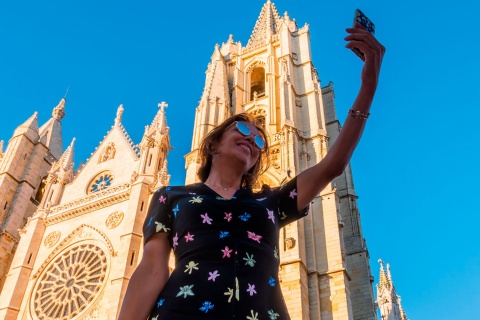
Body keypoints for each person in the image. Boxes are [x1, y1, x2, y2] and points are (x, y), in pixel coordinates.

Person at [118, 22, 385, 320]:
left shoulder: (270, 202)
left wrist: (368, 86)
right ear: (213, 144)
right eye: (243, 128)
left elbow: (332, 165)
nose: (252, 138)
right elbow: (151, 268)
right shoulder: (172, 196)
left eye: (259, 140)